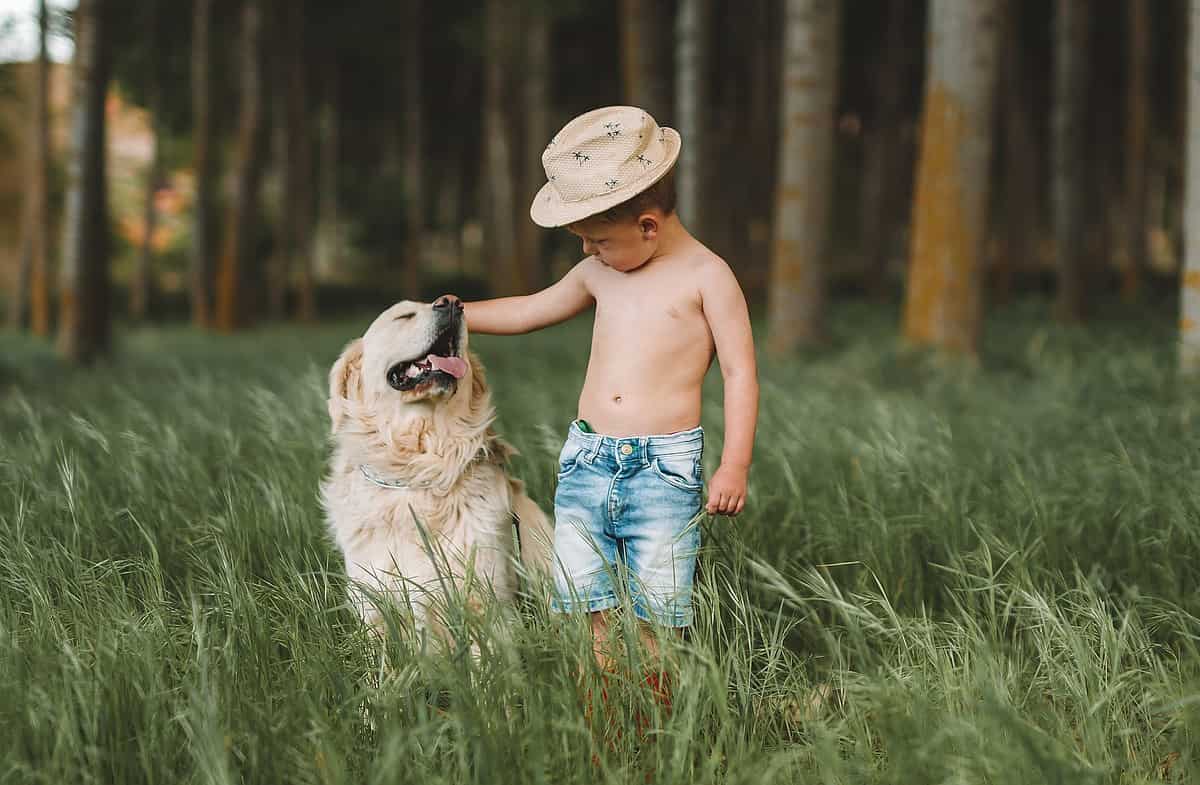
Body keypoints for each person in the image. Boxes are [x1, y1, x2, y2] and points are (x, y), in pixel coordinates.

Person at [437, 104, 758, 690]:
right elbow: (532, 309)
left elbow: (739, 374)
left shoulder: (708, 277)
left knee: (657, 612)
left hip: (662, 469)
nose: (588, 252)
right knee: (588, 603)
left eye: (598, 240)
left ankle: (651, 725)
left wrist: (734, 465)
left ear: (648, 226)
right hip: (588, 462)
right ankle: (602, 717)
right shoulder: (601, 273)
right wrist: (459, 316)